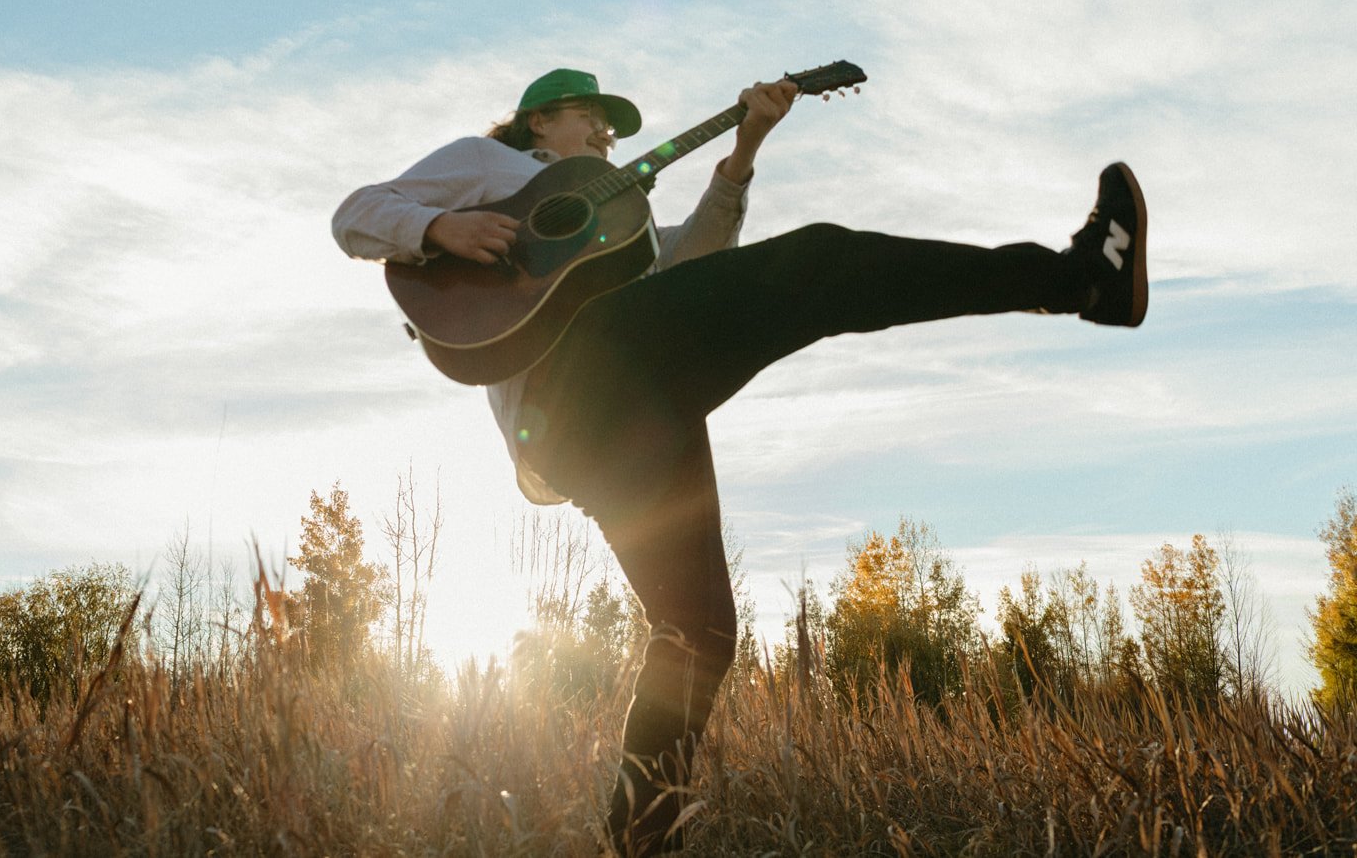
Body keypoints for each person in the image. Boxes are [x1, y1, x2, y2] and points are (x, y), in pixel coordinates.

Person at [331, 67, 1147, 855]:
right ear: (539, 119)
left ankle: (639, 841)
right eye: (591, 117)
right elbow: (356, 214)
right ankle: (1078, 279)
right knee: (816, 263)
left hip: (638, 408)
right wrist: (440, 228)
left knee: (699, 631)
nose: (606, 134)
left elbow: (693, 270)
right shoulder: (487, 165)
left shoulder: (617, 218)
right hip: (574, 390)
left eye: (612, 127)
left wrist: (745, 149)